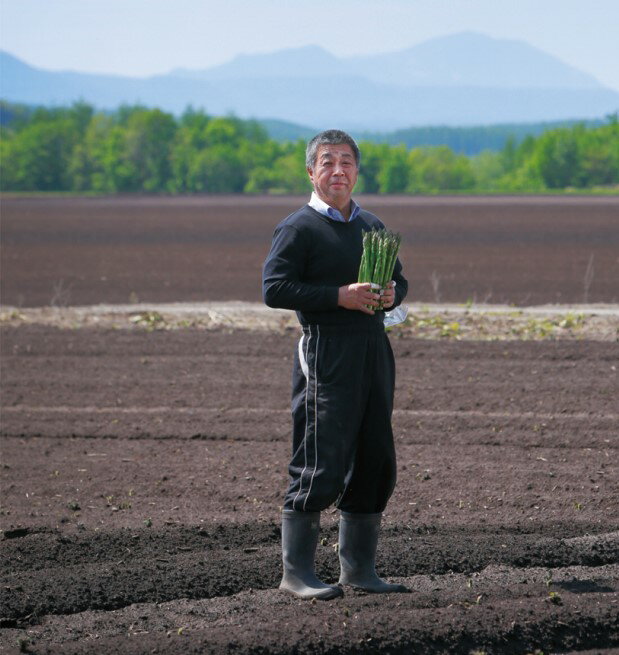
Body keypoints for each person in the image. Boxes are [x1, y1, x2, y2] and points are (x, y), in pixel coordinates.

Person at [262, 129, 408, 600]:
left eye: (346, 162)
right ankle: (296, 574)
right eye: (327, 162)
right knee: (320, 460)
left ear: (357, 171)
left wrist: (390, 295)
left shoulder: (373, 227)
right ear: (311, 171)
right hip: (325, 351)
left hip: (372, 349)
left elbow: (400, 282)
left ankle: (359, 570)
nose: (338, 170)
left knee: (375, 458)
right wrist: (337, 297)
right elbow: (274, 288)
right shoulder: (298, 227)